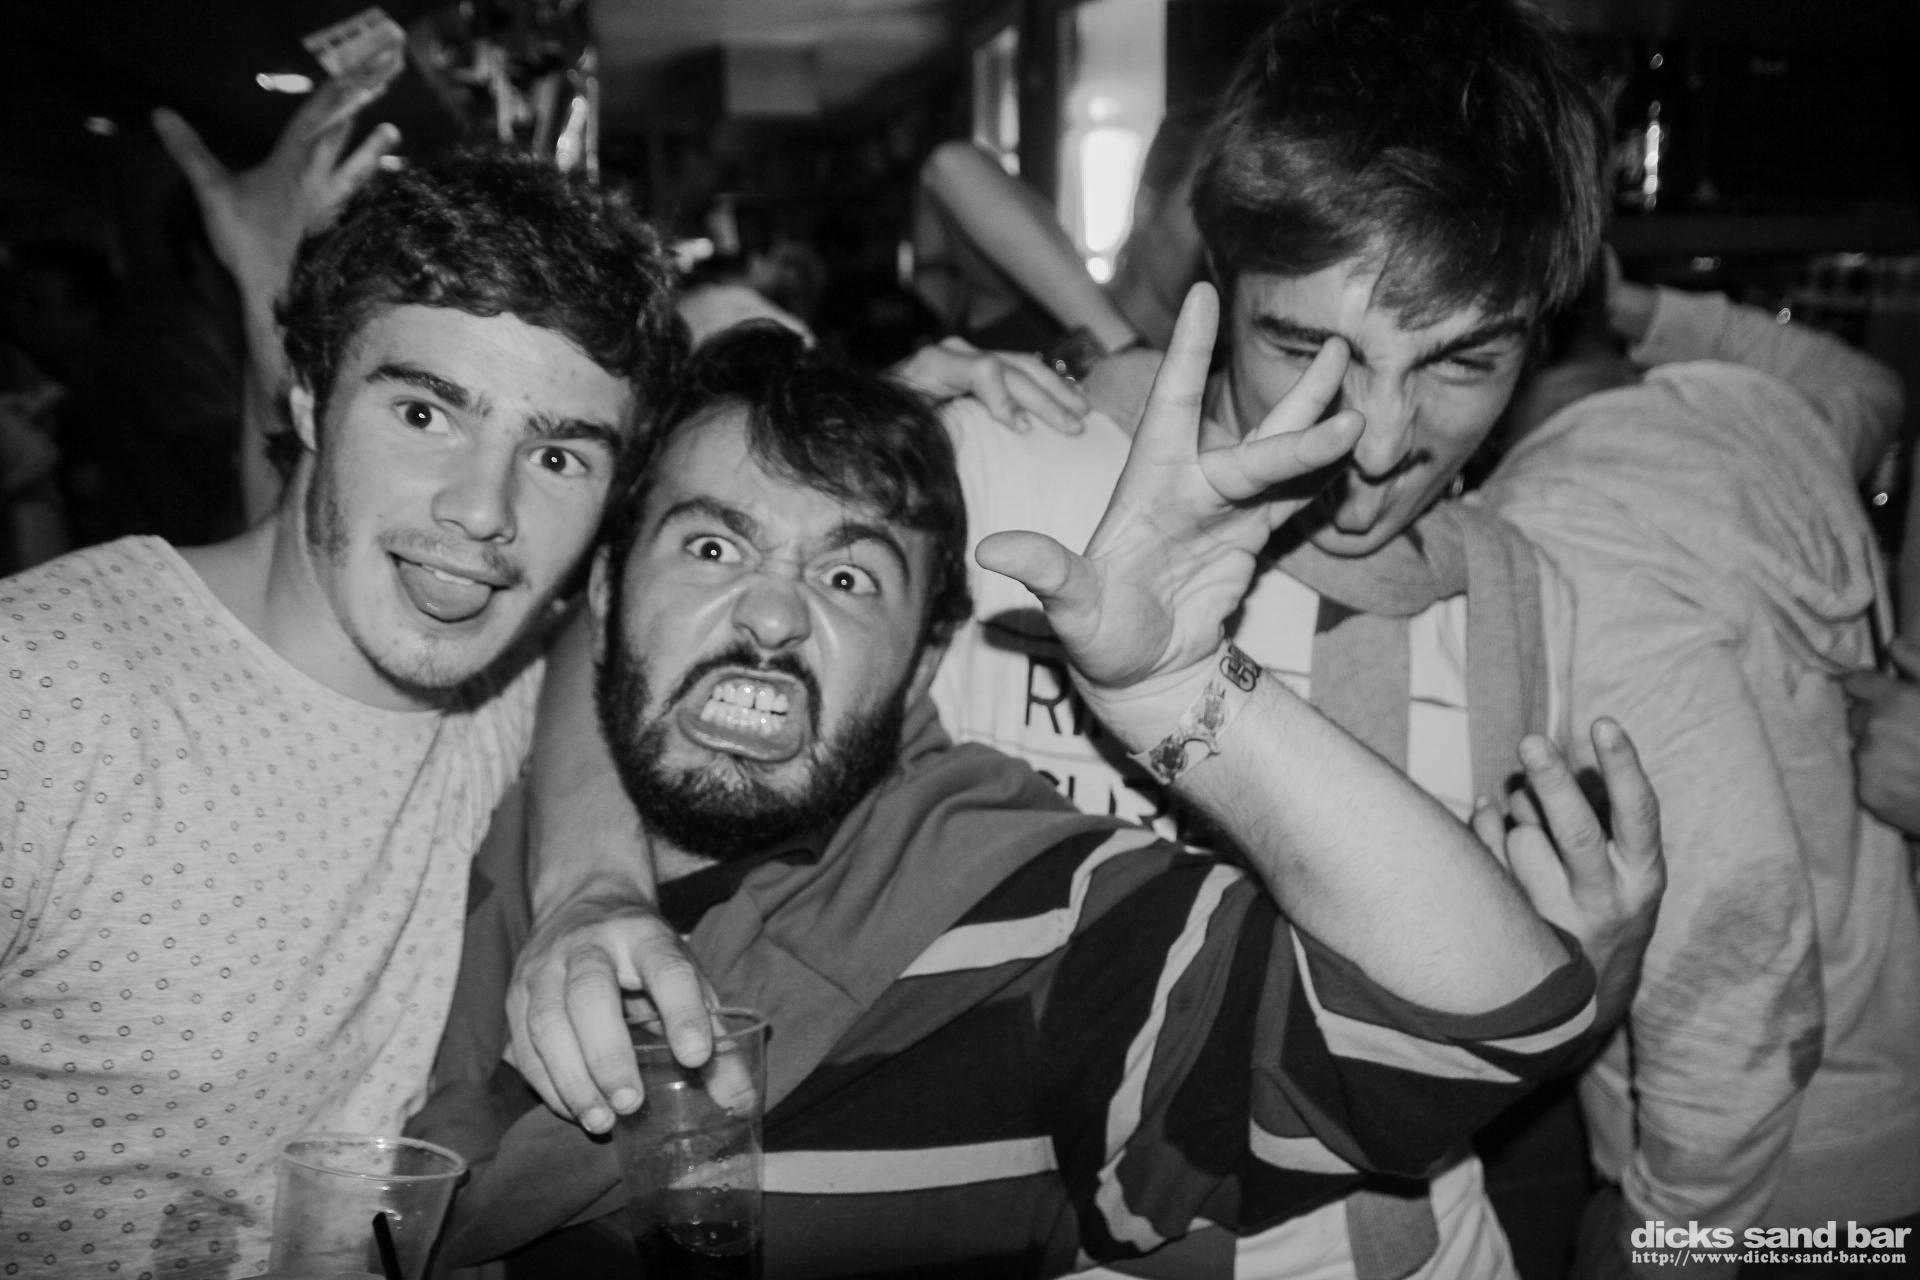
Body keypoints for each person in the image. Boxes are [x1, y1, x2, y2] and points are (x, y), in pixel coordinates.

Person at [507, 3, 1661, 1278]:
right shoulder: (1008, 462)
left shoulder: (1516, 600)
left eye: (1461, 364)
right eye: (1304, 346)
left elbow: (1490, 1032)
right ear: (1219, 284)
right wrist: (591, 884)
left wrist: (1589, 984)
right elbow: (638, 623)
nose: (1382, 439)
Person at [0, 118, 686, 1277]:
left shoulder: (513, 691)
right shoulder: (42, 697)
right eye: (424, 413)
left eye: (558, 455)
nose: (484, 509)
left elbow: (608, 627)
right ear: (310, 399)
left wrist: (591, 881)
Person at [1482, 273, 1920, 1277]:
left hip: (1756, 1192)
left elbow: (1733, 930)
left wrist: (1673, 1236)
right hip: (1882, 1117)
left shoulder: (1560, 532)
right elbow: (1867, 384)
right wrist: (1638, 305)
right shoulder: (1771, 427)